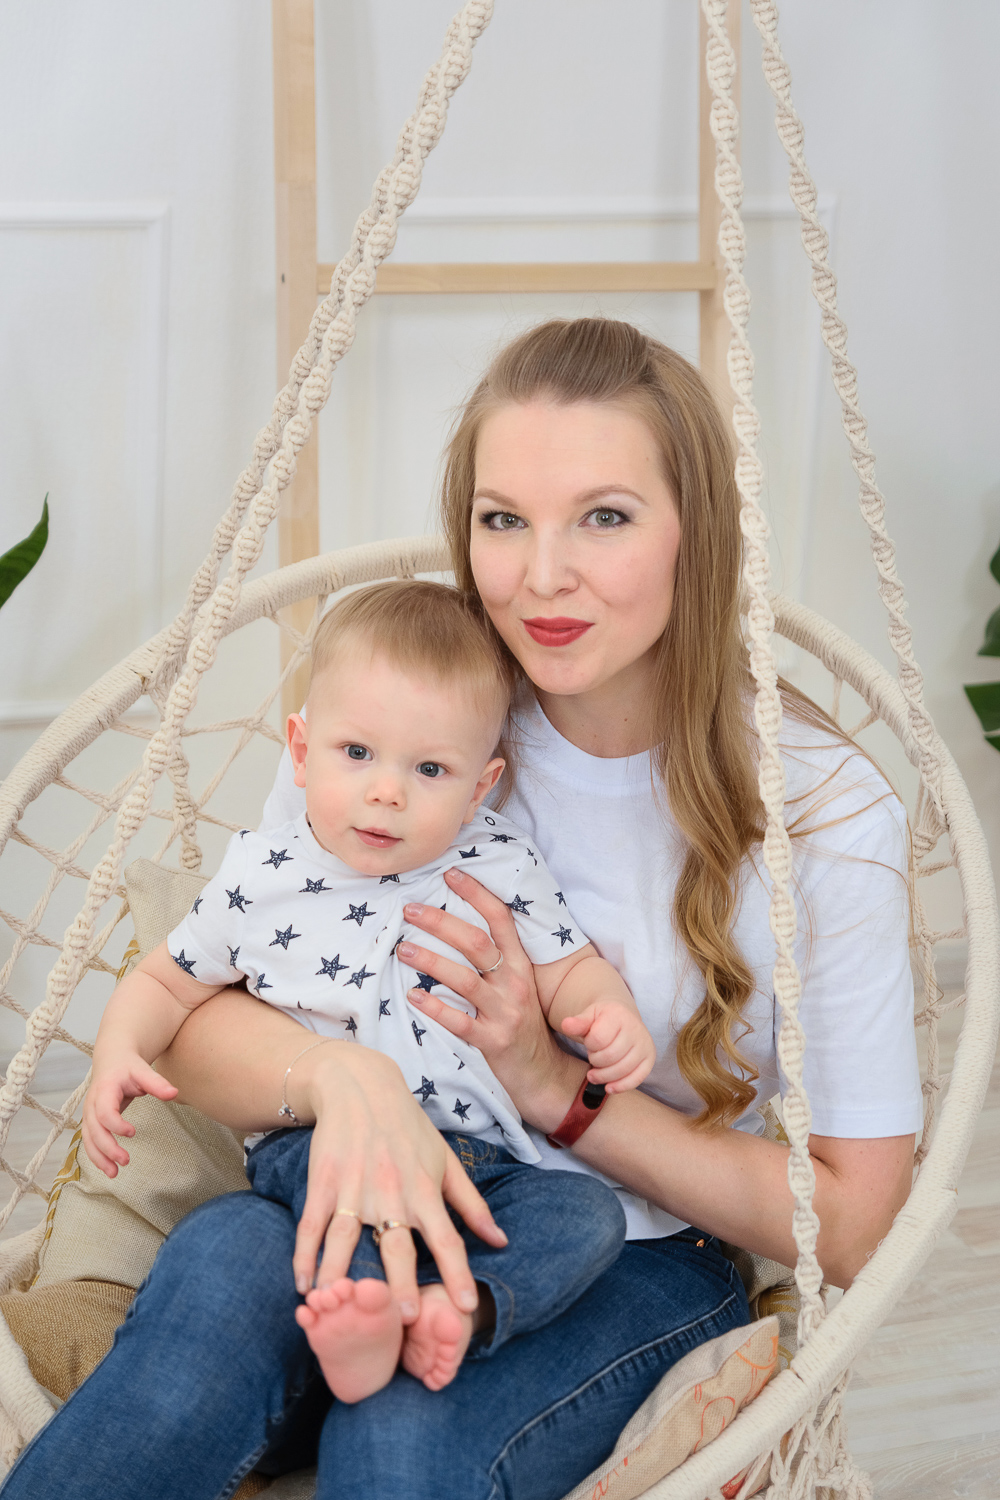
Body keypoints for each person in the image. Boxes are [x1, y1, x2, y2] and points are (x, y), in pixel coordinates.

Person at [0, 319, 921, 1500]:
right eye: (502, 519)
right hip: (363, 1193)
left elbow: (847, 1222)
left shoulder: (823, 808)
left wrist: (554, 1088)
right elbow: (204, 1009)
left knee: (404, 1432)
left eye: (604, 516)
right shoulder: (410, 725)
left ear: (698, 531)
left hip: (627, 1249)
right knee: (220, 1269)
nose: (541, 575)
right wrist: (345, 1082)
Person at [81, 578, 654, 1403]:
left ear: (479, 786)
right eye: (356, 754)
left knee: (585, 1215)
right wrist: (116, 1052)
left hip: (481, 1159)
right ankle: (363, 1321)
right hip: (324, 1140)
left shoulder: (496, 862)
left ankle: (457, 1309)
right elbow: (165, 981)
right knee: (335, 1211)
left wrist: (608, 1013)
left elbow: (567, 968)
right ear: (301, 749)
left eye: (430, 768)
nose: (388, 791)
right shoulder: (263, 874)